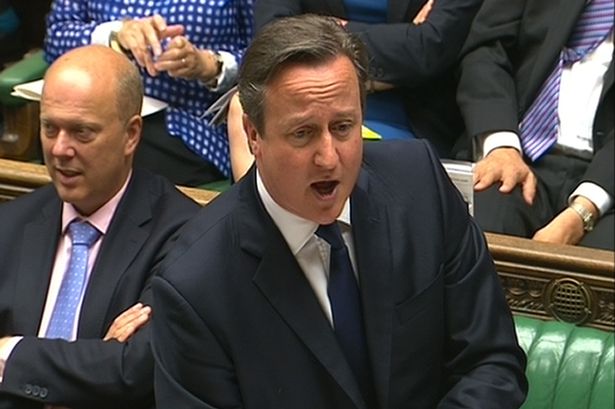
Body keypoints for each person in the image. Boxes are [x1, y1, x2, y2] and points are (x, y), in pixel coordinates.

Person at [152, 15, 527, 409]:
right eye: (303, 133)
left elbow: (492, 361)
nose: (329, 158)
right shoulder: (194, 284)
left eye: (344, 127)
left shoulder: (419, 185)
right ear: (253, 135)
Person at [0, 45, 200, 409]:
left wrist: (10, 353)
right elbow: (110, 371)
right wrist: (96, 361)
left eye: (82, 132)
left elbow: (134, 371)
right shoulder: (11, 224)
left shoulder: (181, 234)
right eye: (50, 128)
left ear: (131, 135)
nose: (60, 149)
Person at [225, 0, 483, 180]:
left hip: (416, 113)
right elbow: (273, 33)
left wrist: (330, 28)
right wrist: (404, 36)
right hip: (314, 97)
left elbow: (428, 48)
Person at [456, 0, 613, 250]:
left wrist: (584, 211)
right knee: (481, 224)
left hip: (606, 176)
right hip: (519, 150)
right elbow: (487, 50)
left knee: (602, 261)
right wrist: (502, 146)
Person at [45, 0, 253, 186]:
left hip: (190, 123)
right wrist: (114, 37)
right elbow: (56, 38)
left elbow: (268, 54)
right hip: (97, 113)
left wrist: (211, 66)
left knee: (121, 154)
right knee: (68, 140)